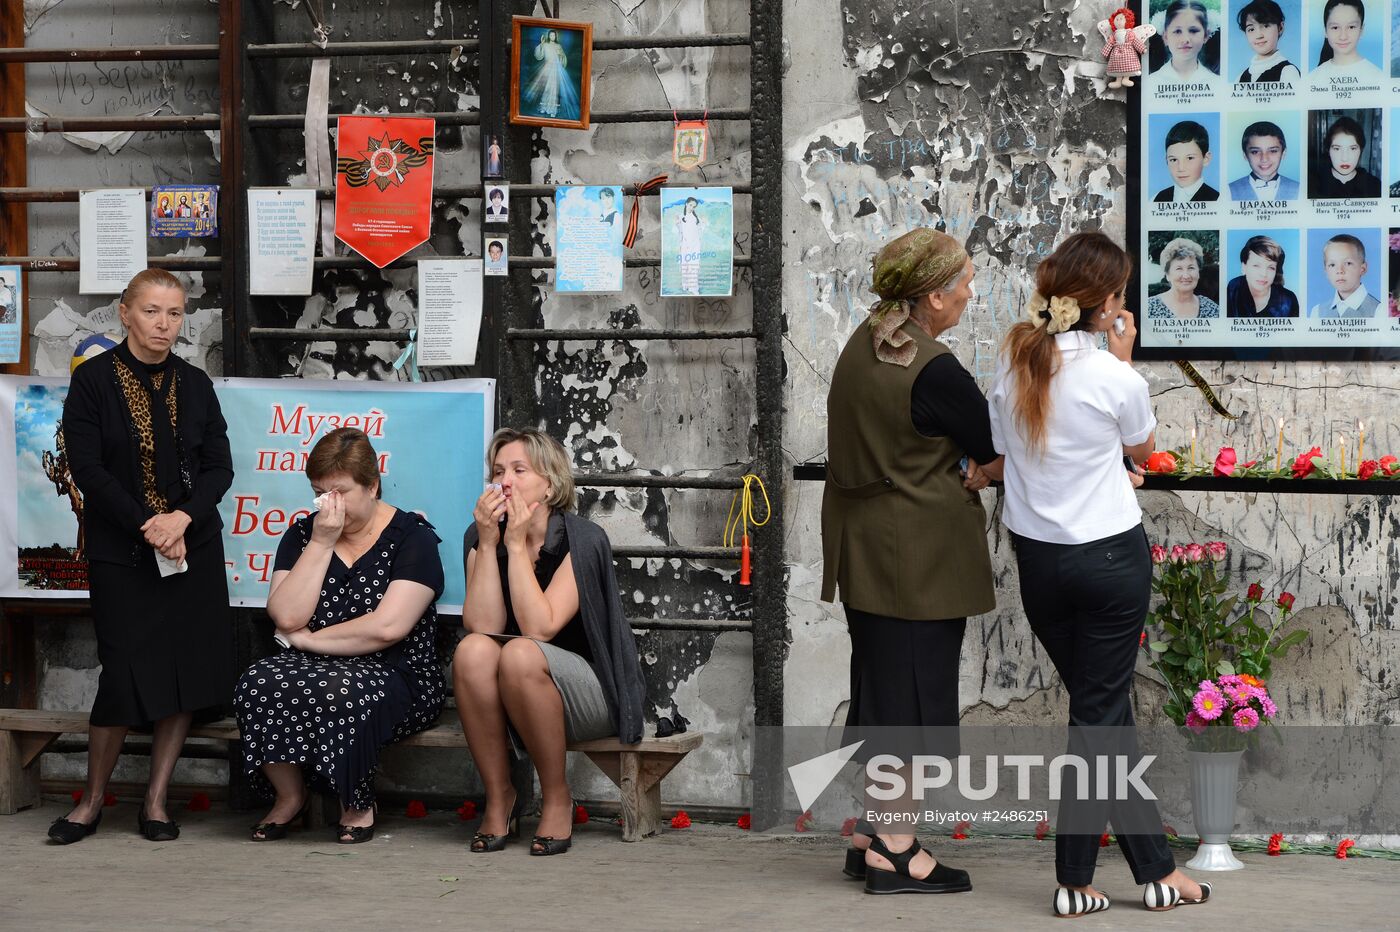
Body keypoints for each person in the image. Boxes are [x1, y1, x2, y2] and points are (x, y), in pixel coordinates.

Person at [988, 232, 1210, 918]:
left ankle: (1157, 871)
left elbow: (1004, 453)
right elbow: (1143, 449)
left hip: (1041, 566)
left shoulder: (1014, 366)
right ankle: (1077, 876)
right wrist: (1124, 360)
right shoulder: (1118, 377)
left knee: (1101, 713)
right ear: (1108, 302)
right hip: (1110, 561)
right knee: (1097, 715)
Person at [820, 228, 1001, 895]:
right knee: (913, 704)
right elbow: (993, 447)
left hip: (865, 548)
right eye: (963, 284)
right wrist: (979, 473)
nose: (969, 294)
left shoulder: (860, 345)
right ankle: (896, 849)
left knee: (881, 691)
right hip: (918, 557)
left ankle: (871, 832)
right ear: (932, 294)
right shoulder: (934, 367)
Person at [48, 269, 234, 845]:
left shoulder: (197, 384)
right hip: (122, 552)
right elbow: (88, 469)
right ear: (125, 313)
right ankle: (93, 800)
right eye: (151, 311)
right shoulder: (93, 382)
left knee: (182, 673)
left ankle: (156, 801)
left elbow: (219, 467)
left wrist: (181, 519)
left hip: (192, 548)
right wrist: (147, 525)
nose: (163, 324)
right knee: (124, 674)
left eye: (174, 314)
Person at [233, 427, 447, 844]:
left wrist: (309, 640)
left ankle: (357, 802)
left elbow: (388, 627)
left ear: (373, 484)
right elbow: (285, 613)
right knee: (256, 683)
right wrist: (321, 543)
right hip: (312, 666)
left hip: (397, 672)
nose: (328, 504)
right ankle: (289, 796)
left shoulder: (413, 538)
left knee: (340, 687)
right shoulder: (303, 535)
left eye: (341, 492)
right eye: (318, 492)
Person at [453, 428, 646, 856]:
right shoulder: (480, 535)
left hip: (588, 692)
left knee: (522, 651)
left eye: (520, 470)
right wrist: (489, 543)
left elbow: (540, 628)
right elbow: (482, 624)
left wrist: (517, 547)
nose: (505, 481)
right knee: (471, 651)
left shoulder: (583, 539)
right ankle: (501, 797)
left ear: (551, 483)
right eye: (499, 471)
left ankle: (557, 796)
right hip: (511, 688)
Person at [1146, 0, 1222, 95]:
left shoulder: (1217, 83)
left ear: (1205, 36)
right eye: (1177, 31)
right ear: (1165, 37)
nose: (1185, 39)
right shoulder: (1150, 83)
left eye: (1193, 31)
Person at [1226, 235, 1300, 317]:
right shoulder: (1234, 287)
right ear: (1244, 267)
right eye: (1256, 265)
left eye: (1271, 267)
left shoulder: (1288, 300)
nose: (1264, 274)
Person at [1309, 115, 1380, 198]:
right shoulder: (1311, 185)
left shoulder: (1375, 186)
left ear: (1361, 150)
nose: (1345, 158)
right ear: (1328, 150)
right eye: (1337, 149)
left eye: (1352, 148)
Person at [1309, 234, 1379, 317]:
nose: (1339, 271)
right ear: (1326, 271)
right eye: (1332, 265)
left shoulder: (1379, 310)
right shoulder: (1317, 312)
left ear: (1362, 269)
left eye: (1348, 263)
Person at [1310, 0, 1382, 80]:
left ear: (1362, 30)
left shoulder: (1378, 77)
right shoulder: (1312, 79)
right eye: (1335, 27)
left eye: (1351, 27)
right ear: (1325, 31)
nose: (1343, 37)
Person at [1147, 238, 1219, 318]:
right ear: (1167, 275)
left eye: (1191, 268)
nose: (1186, 275)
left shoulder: (1211, 308)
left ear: (1198, 272)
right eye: (1179, 269)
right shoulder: (1149, 307)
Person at [1228, 121, 1299, 201]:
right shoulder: (1228, 191)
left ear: (1283, 153)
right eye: (1255, 152)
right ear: (1245, 155)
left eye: (1273, 151)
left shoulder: (1299, 189)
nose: (1264, 159)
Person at [1152, 121, 1219, 202]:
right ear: (1167, 160)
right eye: (1173, 160)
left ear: (1206, 159)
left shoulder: (1218, 199)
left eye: (1190, 158)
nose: (1181, 168)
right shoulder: (1155, 198)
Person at [1235, 0, 1300, 82]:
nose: (1259, 36)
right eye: (1251, 29)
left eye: (1266, 26)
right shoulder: (1240, 78)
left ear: (1280, 28)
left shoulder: (1288, 72)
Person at [525, 29, 579, 120]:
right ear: (549, 36)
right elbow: (539, 56)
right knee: (546, 88)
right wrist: (541, 44)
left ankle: (552, 110)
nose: (552, 37)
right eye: (551, 35)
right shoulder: (545, 45)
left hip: (555, 69)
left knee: (554, 89)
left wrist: (561, 55)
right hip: (547, 68)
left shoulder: (558, 46)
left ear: (556, 37)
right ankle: (544, 107)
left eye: (554, 36)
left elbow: (563, 58)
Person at [676, 196, 703, 295]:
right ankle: (685, 285)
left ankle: (694, 288)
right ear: (686, 204)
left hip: (694, 245)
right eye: (691, 205)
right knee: (685, 265)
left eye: (694, 206)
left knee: (694, 266)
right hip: (684, 245)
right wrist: (677, 224)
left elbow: (698, 233)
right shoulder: (681, 217)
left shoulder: (695, 219)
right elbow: (679, 232)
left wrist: (696, 244)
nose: (692, 207)